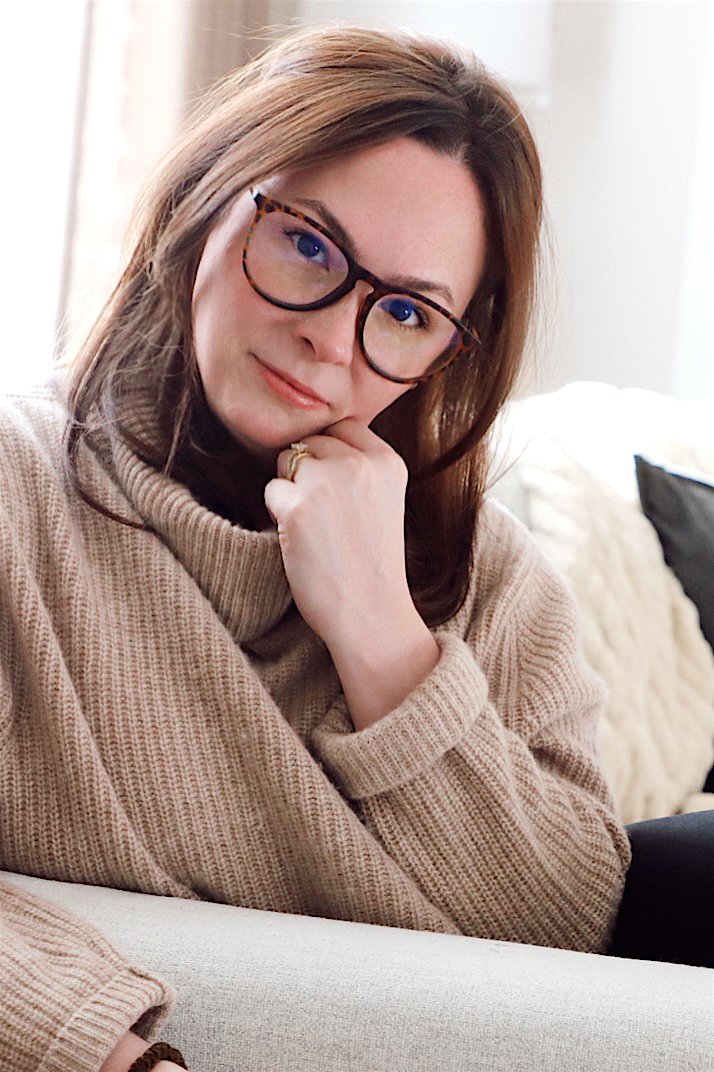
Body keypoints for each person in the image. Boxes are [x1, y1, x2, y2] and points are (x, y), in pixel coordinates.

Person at [0, 24, 632, 1072]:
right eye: (308, 246)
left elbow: (572, 935)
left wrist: (384, 639)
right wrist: (97, 1051)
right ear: (206, 199)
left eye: (407, 311)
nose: (332, 339)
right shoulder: (18, 490)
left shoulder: (493, 574)